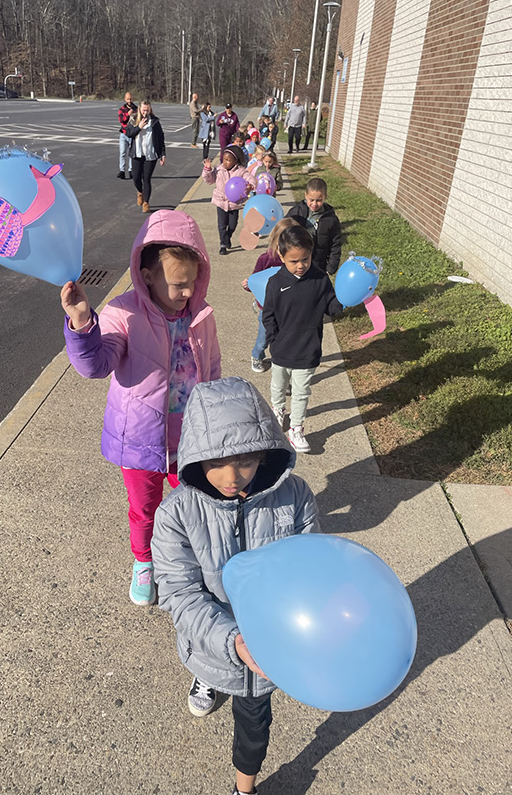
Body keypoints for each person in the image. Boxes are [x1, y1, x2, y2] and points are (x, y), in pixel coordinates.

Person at [152, 375, 319, 795]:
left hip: (266, 649)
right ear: (195, 457)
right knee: (209, 660)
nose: (232, 477)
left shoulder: (295, 496)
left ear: (265, 453)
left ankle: (244, 790)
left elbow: (311, 567)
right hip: (217, 638)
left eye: (246, 461)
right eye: (215, 463)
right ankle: (208, 674)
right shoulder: (176, 512)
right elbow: (180, 591)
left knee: (255, 725)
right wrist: (231, 641)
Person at [60, 210, 221, 605]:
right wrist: (82, 323)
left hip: (190, 439)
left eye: (193, 282)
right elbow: (96, 365)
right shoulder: (122, 313)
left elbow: (213, 370)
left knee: (197, 505)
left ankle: (187, 559)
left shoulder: (201, 316)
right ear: (148, 276)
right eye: (178, 284)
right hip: (140, 441)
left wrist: (217, 420)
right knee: (144, 510)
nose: (187, 292)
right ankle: (144, 560)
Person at [262, 223, 343, 452]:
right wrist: (273, 339)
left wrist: (346, 299)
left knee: (301, 392)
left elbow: (331, 306)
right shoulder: (275, 283)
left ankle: (296, 428)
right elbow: (268, 315)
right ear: (281, 256)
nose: (300, 266)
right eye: (294, 261)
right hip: (281, 350)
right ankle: (278, 411)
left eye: (305, 260)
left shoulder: (319, 280)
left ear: (311, 254)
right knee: (278, 386)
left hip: (308, 349)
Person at [242, 217, 294, 373]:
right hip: (267, 308)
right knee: (265, 335)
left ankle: (281, 365)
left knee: (284, 339)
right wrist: (248, 285)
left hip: (288, 308)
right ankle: (257, 355)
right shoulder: (266, 258)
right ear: (275, 240)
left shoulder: (295, 260)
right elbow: (256, 280)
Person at [202, 145, 256, 255]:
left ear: (235, 161)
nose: (225, 162)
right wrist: (207, 169)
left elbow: (250, 178)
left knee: (232, 225)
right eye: (224, 159)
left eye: (228, 160)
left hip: (234, 203)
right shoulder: (219, 169)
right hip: (220, 201)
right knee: (221, 225)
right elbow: (209, 180)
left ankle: (228, 237)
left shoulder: (240, 171)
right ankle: (222, 244)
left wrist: (251, 185)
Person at [286, 177, 342, 275]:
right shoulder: (296, 212)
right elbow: (284, 233)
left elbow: (335, 244)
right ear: (305, 195)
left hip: (318, 264)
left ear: (325, 197)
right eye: (311, 200)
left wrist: (331, 266)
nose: (314, 204)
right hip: (297, 263)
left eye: (319, 200)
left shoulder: (331, 219)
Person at [126, 99, 166, 213]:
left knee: (146, 179)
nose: (145, 113)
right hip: (137, 154)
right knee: (136, 177)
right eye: (143, 110)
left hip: (150, 155)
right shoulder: (133, 119)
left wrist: (163, 154)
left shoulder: (154, 121)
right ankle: (140, 192)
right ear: (139, 109)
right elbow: (129, 134)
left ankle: (146, 202)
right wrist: (138, 127)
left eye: (147, 110)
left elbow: (160, 138)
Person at [117, 92, 137, 179]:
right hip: (124, 134)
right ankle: (122, 170)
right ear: (125, 99)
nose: (129, 101)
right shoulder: (122, 109)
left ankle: (131, 170)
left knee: (131, 154)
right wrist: (128, 114)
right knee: (122, 153)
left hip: (132, 134)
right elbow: (121, 120)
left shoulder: (136, 109)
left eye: (131, 99)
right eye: (128, 99)